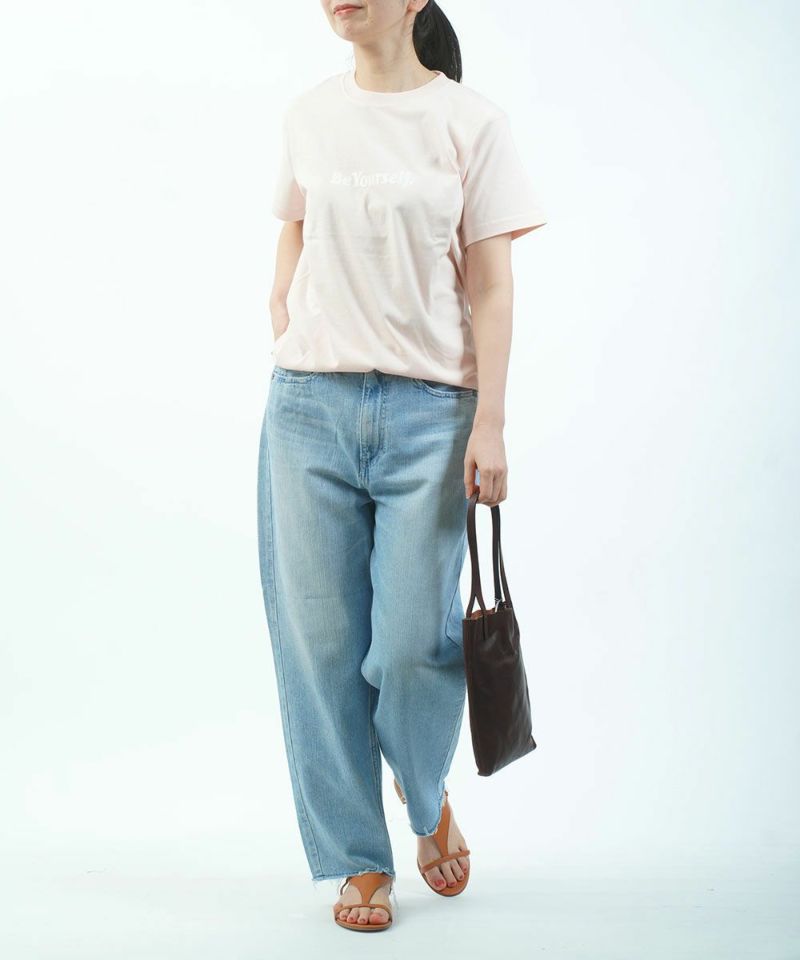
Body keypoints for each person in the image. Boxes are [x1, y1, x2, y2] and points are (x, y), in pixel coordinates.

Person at [256, 0, 547, 932]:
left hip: (431, 416)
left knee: (415, 644)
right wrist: (284, 312)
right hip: (309, 411)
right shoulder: (310, 115)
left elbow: (492, 283)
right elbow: (294, 229)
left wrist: (490, 423)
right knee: (320, 649)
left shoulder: (471, 123)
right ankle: (356, 856)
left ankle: (425, 798)